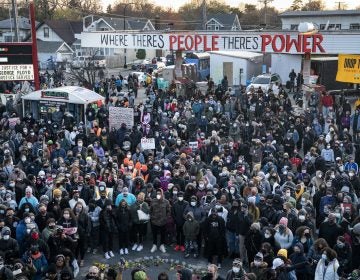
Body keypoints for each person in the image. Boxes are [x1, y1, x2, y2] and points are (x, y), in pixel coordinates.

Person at [149, 188, 170, 253]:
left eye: (159, 193)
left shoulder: (166, 201)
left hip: (163, 221)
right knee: (154, 234)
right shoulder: (153, 201)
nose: (158, 195)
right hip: (154, 221)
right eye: (157, 193)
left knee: (162, 234)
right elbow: (150, 210)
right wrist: (152, 217)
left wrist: (166, 218)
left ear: (162, 194)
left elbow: (168, 211)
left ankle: (162, 245)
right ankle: (154, 245)